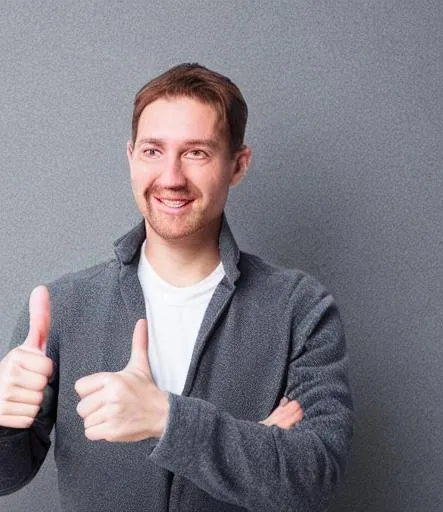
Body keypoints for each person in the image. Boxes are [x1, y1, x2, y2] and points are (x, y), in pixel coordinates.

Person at [0, 63, 353, 511]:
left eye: (196, 153)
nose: (170, 177)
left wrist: (167, 419)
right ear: (130, 156)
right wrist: (2, 418)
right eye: (152, 151)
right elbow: (7, 477)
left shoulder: (299, 309)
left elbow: (313, 474)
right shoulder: (62, 307)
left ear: (237, 165)